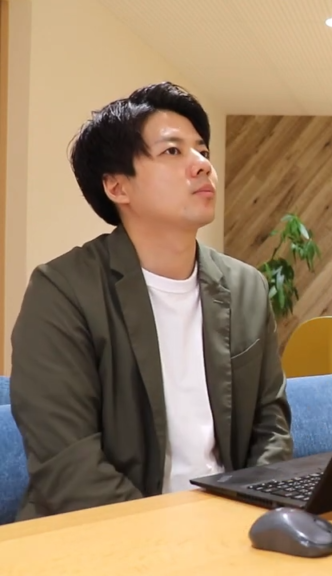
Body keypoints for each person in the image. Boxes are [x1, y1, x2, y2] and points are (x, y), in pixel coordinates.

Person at [10, 82, 293, 521]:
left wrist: (248, 516)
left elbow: (270, 425)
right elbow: (68, 466)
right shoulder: (62, 291)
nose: (203, 165)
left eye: (202, 150)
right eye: (173, 151)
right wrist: (168, 539)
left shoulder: (246, 288)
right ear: (117, 186)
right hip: (105, 534)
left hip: (230, 527)